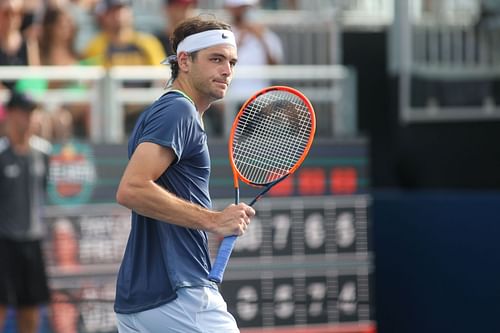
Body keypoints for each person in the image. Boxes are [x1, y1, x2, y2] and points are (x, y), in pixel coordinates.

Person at [114, 16, 255, 332]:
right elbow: (131, 189)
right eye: (216, 59)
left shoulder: (163, 110)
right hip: (178, 296)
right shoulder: (179, 111)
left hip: (139, 302)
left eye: (231, 61)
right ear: (184, 61)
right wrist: (215, 220)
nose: (227, 70)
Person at [0, 91, 52, 333]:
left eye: (31, 112)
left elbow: (42, 192)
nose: (28, 118)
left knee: (30, 311)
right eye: (23, 112)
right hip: (3, 243)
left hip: (32, 242)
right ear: (9, 114)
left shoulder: (43, 153)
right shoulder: (1, 153)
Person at [224, 0, 284, 100]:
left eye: (246, 8)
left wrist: (262, 39)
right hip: (232, 98)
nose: (243, 11)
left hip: (261, 97)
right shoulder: (225, 34)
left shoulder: (267, 36)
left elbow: (274, 66)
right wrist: (240, 41)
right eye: (240, 7)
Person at [83, 0, 165, 68]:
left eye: (121, 9)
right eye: (112, 11)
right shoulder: (96, 45)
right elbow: (91, 78)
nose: (117, 15)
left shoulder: (148, 42)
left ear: (131, 12)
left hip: (142, 88)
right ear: (103, 16)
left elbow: (160, 74)